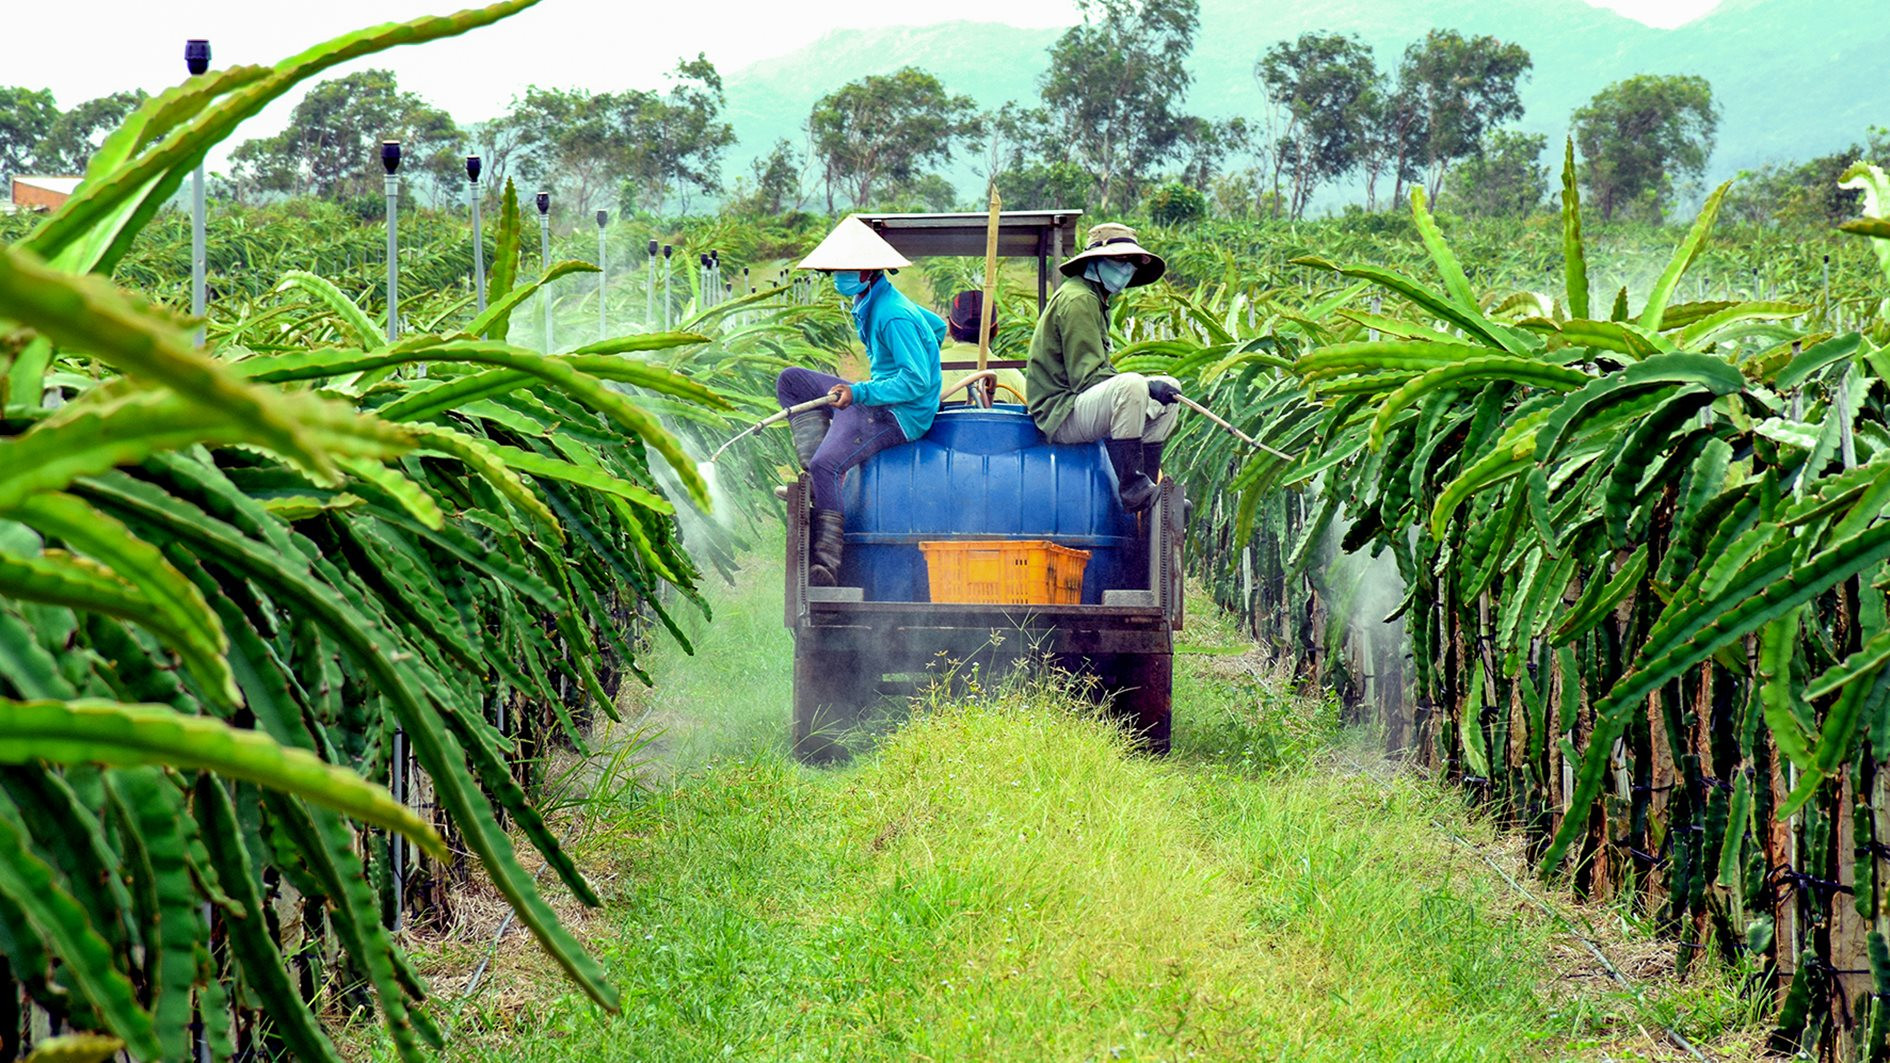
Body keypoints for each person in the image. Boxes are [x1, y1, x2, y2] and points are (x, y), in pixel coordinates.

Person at [776, 216, 945, 586]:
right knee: (792, 381)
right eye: (833, 269)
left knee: (827, 465)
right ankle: (821, 477)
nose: (837, 275)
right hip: (877, 398)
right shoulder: (872, 298)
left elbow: (915, 381)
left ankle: (826, 562)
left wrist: (862, 393)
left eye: (843, 268)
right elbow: (938, 327)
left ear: (868, 269)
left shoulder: (892, 314)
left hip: (897, 414)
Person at [1025, 222, 1181, 512]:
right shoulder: (1079, 299)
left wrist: (1154, 389)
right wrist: (1145, 387)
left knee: (1171, 391)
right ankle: (1132, 487)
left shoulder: (1094, 298)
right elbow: (1088, 379)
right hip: (1060, 412)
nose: (1126, 269)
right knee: (1131, 385)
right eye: (1120, 260)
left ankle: (1147, 481)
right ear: (1096, 260)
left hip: (1078, 405)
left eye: (1131, 262)